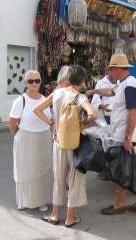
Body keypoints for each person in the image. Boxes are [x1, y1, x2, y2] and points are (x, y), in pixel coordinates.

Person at [34, 65, 97, 227]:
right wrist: (83, 123)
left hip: (59, 142)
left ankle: (54, 215)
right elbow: (93, 114)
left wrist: (51, 123)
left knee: (59, 179)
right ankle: (70, 218)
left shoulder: (56, 93)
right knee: (75, 179)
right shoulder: (81, 98)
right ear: (82, 81)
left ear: (68, 79)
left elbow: (37, 110)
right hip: (76, 144)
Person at [86, 53, 136, 215]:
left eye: (112, 69)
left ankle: (119, 204)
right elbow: (109, 92)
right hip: (122, 134)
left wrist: (128, 137)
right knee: (131, 167)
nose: (110, 72)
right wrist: (93, 91)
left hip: (126, 136)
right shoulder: (123, 84)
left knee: (122, 169)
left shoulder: (130, 85)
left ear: (118, 69)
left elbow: (133, 112)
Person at [8, 70, 53, 212]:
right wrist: (18, 136)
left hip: (43, 138)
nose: (34, 84)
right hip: (26, 138)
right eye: (31, 81)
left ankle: (41, 201)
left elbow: (50, 120)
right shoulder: (20, 100)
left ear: (41, 82)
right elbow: (12, 121)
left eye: (37, 81)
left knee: (42, 170)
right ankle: (24, 201)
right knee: (25, 170)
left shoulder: (44, 99)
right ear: (25, 83)